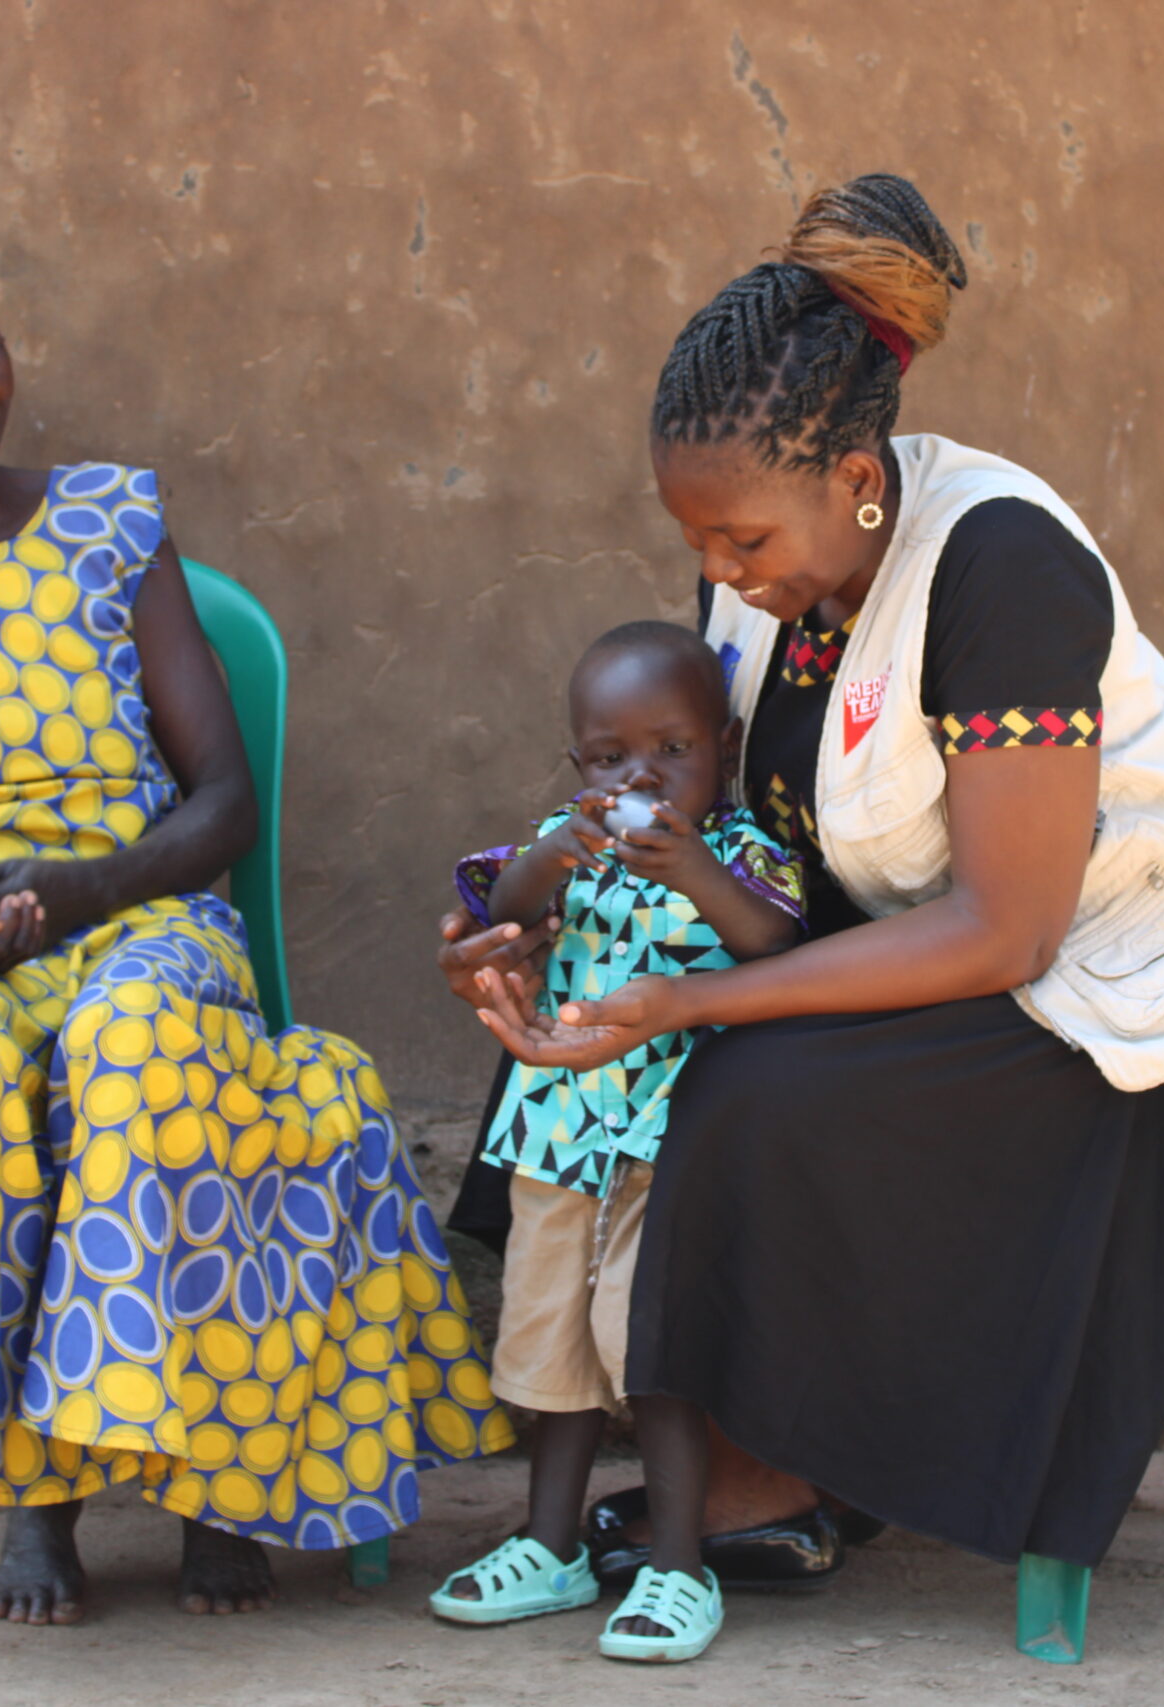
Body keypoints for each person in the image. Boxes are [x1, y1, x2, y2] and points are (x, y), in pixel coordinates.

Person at [445, 173, 1164, 1583]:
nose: (718, 572)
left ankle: (791, 1461)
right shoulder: (765, 584)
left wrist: (699, 1009)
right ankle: (680, 1445)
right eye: (696, 541)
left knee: (753, 1079)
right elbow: (734, 838)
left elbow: (1008, 928)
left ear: (859, 484)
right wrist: (537, 912)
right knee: (577, 1055)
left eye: (742, 542)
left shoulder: (1001, 566)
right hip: (959, 938)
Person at [0, 219, 512, 1626]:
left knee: (137, 1041)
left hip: (142, 907)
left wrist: (84, 890)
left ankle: (212, 1476)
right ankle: (40, 1498)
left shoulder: (112, 519)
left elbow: (221, 803)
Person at [428, 622, 803, 1662]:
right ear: (577, 765)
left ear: (722, 747)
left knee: (654, 1352)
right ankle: (547, 1545)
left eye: (671, 750)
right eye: (608, 758)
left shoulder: (737, 850)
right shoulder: (567, 835)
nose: (640, 776)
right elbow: (499, 913)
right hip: (560, 1139)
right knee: (550, 1345)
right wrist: (548, 855)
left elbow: (773, 942)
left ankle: (680, 1565)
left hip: (672, 1145)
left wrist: (692, 871)